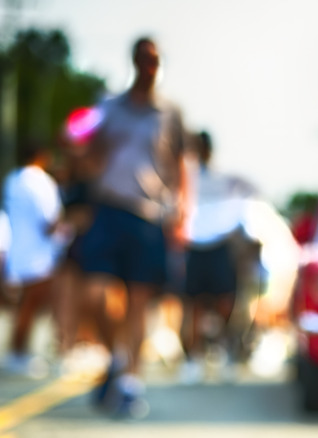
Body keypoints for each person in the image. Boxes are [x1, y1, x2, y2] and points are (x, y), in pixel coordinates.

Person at [78, 36, 190, 415]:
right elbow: (88, 152)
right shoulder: (108, 107)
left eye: (155, 60)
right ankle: (114, 357)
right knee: (95, 295)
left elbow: (179, 166)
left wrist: (180, 215)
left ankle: (130, 380)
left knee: (138, 304)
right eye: (143, 59)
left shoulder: (170, 113)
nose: (149, 66)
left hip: (149, 215)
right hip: (108, 208)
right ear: (134, 62)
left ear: (161, 65)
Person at [179, 131, 257, 383]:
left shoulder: (225, 179)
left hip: (220, 246)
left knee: (226, 303)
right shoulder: (184, 178)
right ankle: (193, 358)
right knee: (194, 306)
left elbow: (247, 200)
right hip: (194, 247)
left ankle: (224, 350)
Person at [2, 142, 66, 377]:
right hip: (40, 254)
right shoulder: (41, 182)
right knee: (31, 305)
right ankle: (18, 352)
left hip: (18, 250)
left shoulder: (13, 179)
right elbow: (50, 221)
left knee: (24, 305)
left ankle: (18, 350)